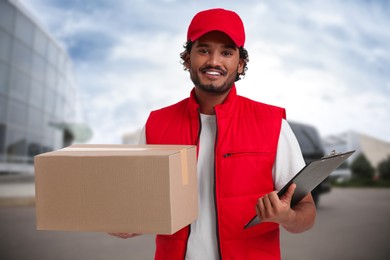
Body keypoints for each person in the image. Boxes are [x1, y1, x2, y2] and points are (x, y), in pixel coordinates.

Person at [109, 8, 316, 260]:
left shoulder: (273, 124)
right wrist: (128, 225)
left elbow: (306, 213)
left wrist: (287, 217)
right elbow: (142, 207)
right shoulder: (156, 124)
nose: (214, 61)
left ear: (240, 64)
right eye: (203, 50)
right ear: (187, 59)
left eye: (226, 52)